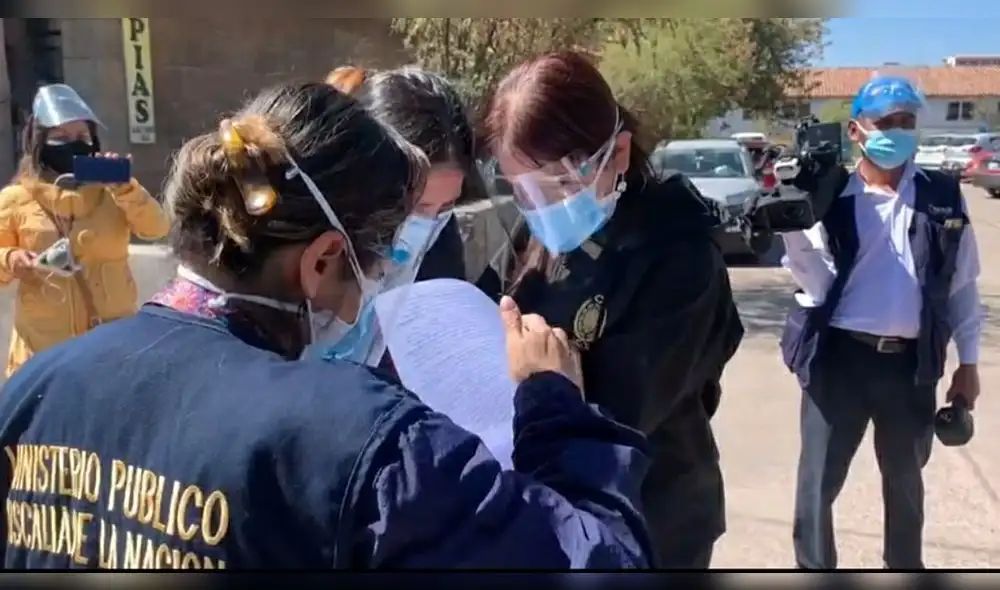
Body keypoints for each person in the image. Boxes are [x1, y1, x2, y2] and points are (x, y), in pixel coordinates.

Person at [0, 81, 653, 569]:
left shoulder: (34, 395)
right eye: (377, 262)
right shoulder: (363, 442)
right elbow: (602, 563)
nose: (372, 291)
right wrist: (557, 413)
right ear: (322, 260)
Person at [476, 51, 745, 568]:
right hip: (553, 498)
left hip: (652, 518)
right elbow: (488, 308)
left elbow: (624, 413)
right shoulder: (536, 231)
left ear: (618, 154)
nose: (541, 208)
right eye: (521, 190)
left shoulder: (680, 256)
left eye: (557, 184)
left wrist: (540, 378)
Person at [780, 75, 982, 569]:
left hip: (910, 368)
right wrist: (792, 229)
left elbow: (961, 286)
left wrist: (968, 363)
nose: (897, 131)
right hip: (838, 363)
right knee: (817, 486)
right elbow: (815, 282)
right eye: (885, 122)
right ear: (856, 130)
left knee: (905, 484)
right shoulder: (830, 198)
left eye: (906, 122)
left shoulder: (942, 196)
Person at [312, 66, 483, 365]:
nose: (426, 226)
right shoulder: (296, 238)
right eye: (414, 207)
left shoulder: (441, 250)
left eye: (444, 208)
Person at [0, 83, 168, 376]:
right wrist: (11, 259)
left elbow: (157, 228)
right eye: (61, 137)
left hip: (111, 347)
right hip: (43, 353)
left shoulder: (114, 193)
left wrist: (125, 187)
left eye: (81, 136)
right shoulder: (16, 199)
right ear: (40, 144)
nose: (73, 144)